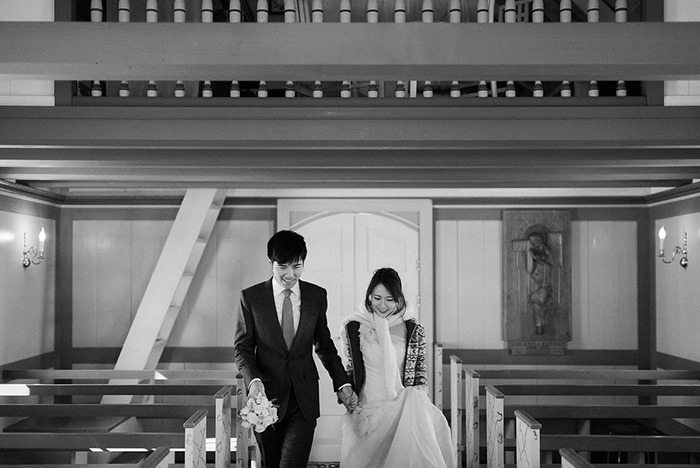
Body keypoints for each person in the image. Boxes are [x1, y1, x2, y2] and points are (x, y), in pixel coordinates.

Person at [234, 230, 358, 468]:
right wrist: (254, 381)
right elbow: (243, 347)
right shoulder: (251, 297)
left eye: (297, 266)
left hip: (304, 399)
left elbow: (325, 345)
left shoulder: (316, 295)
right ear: (270, 262)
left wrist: (342, 383)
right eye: (282, 267)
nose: (290, 274)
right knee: (271, 463)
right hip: (265, 398)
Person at [339, 267, 456, 468]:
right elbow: (351, 369)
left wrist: (414, 397)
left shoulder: (413, 329)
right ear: (369, 297)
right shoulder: (354, 326)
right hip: (367, 408)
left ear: (399, 299)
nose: (382, 305)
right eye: (377, 298)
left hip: (402, 407)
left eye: (389, 299)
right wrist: (346, 393)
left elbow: (420, 375)